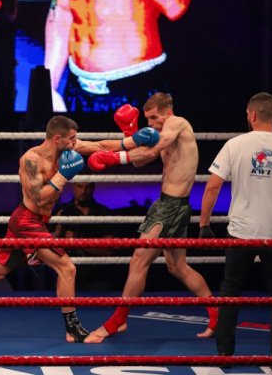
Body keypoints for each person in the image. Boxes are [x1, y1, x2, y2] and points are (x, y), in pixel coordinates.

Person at [0, 115, 159, 343]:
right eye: (72, 139)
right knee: (67, 268)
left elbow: (100, 146)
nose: (75, 143)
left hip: (36, 222)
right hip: (26, 222)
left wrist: (132, 141)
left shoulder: (68, 149)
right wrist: (62, 175)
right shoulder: (30, 161)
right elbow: (39, 199)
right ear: (57, 138)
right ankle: (72, 329)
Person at [86, 92, 218, 339]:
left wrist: (114, 157)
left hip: (171, 207)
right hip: (171, 204)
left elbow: (148, 152)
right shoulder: (162, 132)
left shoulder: (177, 123)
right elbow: (140, 162)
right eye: (147, 119)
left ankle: (117, 321)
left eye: (154, 117)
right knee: (177, 266)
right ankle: (216, 314)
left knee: (139, 260)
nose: (151, 124)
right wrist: (128, 133)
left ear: (167, 112)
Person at [199, 92, 272, 371]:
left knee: (231, 289)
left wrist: (204, 224)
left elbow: (212, 187)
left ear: (251, 115)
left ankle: (225, 353)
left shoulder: (235, 145)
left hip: (242, 231)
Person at [44, 0, 194, 113]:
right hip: (78, 89)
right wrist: (48, 85)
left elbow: (175, 7)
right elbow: (61, 12)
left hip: (137, 88)